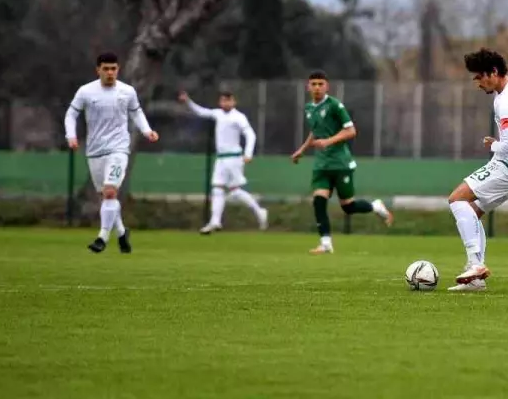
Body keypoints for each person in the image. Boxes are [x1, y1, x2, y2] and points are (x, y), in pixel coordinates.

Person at [445, 49, 508, 292]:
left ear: (494, 72)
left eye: (479, 77)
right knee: (472, 213)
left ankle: (476, 265)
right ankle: (477, 281)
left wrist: (493, 144)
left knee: (457, 199)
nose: (477, 83)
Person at [65, 52, 159, 254]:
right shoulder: (86, 92)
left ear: (118, 69)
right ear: (98, 70)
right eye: (105, 69)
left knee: (110, 192)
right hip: (95, 151)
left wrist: (147, 131)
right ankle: (122, 233)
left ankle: (102, 238)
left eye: (113, 69)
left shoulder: (127, 91)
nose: (110, 72)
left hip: (119, 149)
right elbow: (71, 114)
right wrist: (71, 136)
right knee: (107, 198)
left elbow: (136, 112)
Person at [290, 71, 392, 254]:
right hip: (321, 165)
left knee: (348, 207)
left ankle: (375, 206)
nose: (317, 87)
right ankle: (326, 242)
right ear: (308, 87)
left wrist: (328, 141)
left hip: (340, 163)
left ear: (327, 86)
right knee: (318, 200)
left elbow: (351, 131)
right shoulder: (308, 108)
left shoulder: (335, 106)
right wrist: (302, 150)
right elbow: (315, 131)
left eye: (320, 84)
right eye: (313, 84)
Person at [179, 90, 269, 234]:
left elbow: (250, 134)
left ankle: (260, 211)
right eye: (223, 100)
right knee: (217, 188)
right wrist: (188, 101)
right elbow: (201, 112)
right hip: (220, 158)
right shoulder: (218, 114)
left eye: (228, 100)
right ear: (220, 102)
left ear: (233, 102)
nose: (225, 103)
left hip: (234, 158)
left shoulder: (238, 117)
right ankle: (215, 221)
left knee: (236, 191)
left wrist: (248, 153)